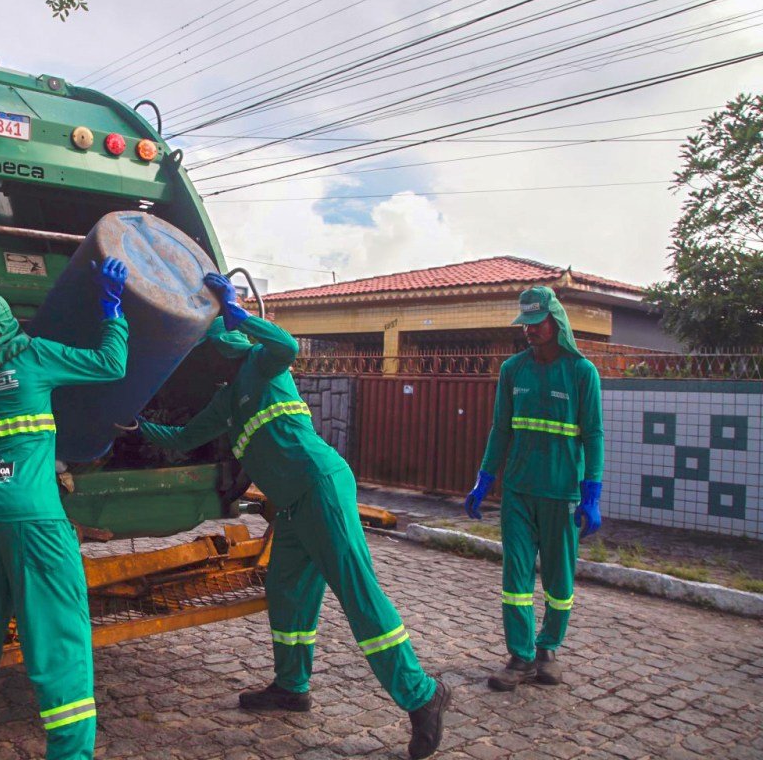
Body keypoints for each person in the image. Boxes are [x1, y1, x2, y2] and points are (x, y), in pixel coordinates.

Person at [128, 272, 450, 760]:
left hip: (320, 486)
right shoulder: (225, 402)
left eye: (217, 350)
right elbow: (183, 437)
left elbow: (286, 345)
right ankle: (291, 687)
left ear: (231, 345)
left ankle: (422, 694)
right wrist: (135, 425)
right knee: (287, 592)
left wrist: (240, 313)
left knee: (358, 593)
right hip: (294, 506)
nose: (214, 359)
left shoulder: (266, 364)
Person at [0, 258, 130, 760]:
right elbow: (112, 364)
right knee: (59, 644)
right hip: (34, 520)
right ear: (8, 325)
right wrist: (113, 310)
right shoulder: (33, 355)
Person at [465, 286, 604, 691]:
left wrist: (591, 494)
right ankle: (521, 656)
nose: (528, 330)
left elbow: (593, 435)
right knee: (516, 577)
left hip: (561, 495)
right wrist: (484, 479)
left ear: (556, 322)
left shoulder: (582, 373)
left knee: (560, 581)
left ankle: (548, 649)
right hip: (519, 494)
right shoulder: (513, 370)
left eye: (536, 322)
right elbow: (500, 429)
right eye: (524, 323)